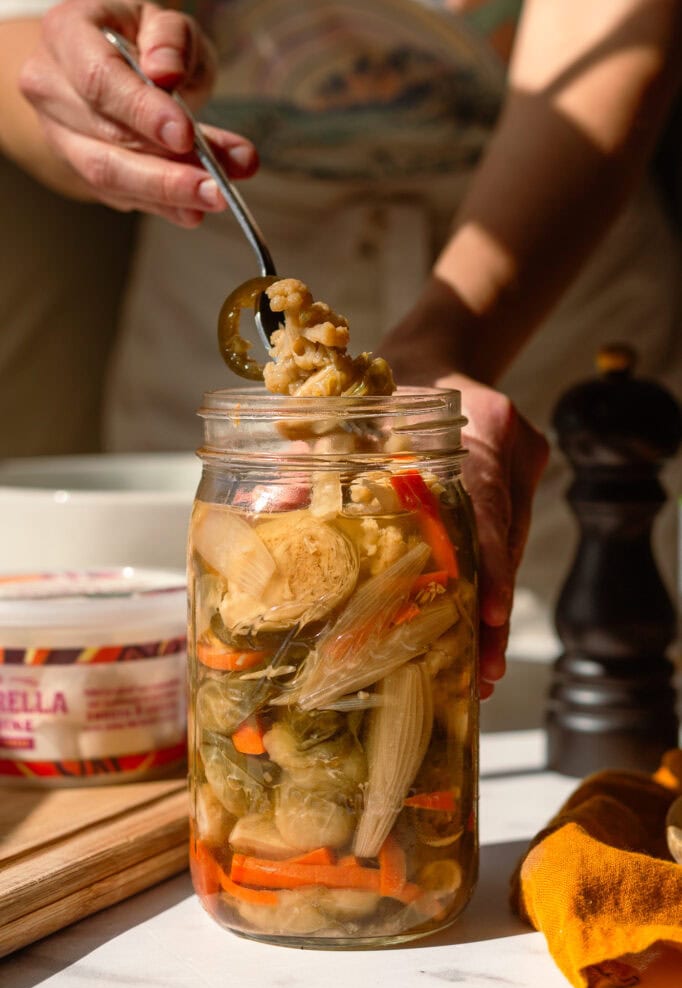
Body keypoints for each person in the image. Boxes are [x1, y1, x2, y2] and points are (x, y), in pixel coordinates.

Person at [1, 0, 681, 694]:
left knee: (570, 674)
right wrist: (95, 116)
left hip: (547, 262)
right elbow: (19, 46)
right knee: (216, 671)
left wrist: (456, 341)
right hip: (216, 259)